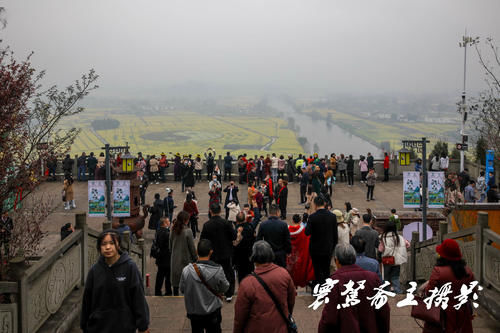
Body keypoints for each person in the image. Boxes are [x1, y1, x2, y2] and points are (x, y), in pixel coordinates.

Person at [81, 230, 150, 333]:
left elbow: (138, 297)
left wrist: (143, 326)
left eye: (112, 243)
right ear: (99, 247)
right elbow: (87, 301)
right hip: (98, 327)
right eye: (104, 244)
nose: (108, 247)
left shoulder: (130, 267)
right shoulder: (94, 271)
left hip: (123, 327)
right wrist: (84, 325)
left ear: (118, 245)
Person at [317, 244, 390, 333]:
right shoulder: (373, 278)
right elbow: (384, 311)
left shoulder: (334, 281)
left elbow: (329, 318)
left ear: (337, 261)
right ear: (354, 259)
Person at [234, 241, 296, 333]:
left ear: (254, 257)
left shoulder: (247, 283)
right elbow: (291, 299)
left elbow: (240, 314)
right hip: (281, 327)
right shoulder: (283, 274)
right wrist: (286, 314)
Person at [420, 239, 477, 333]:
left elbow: (429, 293)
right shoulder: (468, 271)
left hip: (442, 313)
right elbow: (473, 294)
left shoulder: (438, 271)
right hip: (462, 313)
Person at [180, 239, 229, 333]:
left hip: (194, 313)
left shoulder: (186, 270)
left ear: (197, 251)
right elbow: (225, 287)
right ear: (211, 252)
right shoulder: (218, 270)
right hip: (212, 312)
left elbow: (182, 289)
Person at [200, 203, 237, 302]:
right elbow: (234, 236)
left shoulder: (207, 225)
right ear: (220, 211)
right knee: (228, 273)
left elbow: (203, 240)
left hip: (213, 254)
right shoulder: (226, 223)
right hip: (226, 252)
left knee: (213, 274)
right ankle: (229, 294)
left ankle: (215, 292)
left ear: (210, 212)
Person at [305, 196, 338, 287]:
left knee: (317, 270)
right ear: (324, 204)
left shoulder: (312, 217)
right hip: (328, 248)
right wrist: (332, 247)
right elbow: (335, 235)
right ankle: (326, 289)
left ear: (315, 205)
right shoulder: (332, 216)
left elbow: (307, 232)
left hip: (315, 249)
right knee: (326, 270)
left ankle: (318, 288)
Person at [170, 211, 198, 296]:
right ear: (186, 220)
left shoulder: (173, 230)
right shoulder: (188, 231)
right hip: (186, 260)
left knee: (175, 283)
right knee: (187, 282)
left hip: (175, 259)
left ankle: (175, 297)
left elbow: (170, 246)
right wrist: (195, 258)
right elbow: (192, 248)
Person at [256, 204, 291, 268]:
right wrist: (288, 251)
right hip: (280, 254)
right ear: (278, 212)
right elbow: (287, 241)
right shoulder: (283, 225)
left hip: (268, 254)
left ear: (269, 213)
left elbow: (259, 241)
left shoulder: (263, 225)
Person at [378, 221, 408, 294]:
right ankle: (397, 290)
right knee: (395, 276)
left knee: (386, 276)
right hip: (397, 261)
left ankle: (386, 290)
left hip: (387, 260)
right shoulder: (399, 237)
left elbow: (380, 249)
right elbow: (408, 245)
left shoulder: (382, 237)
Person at [286, 214, 315, 288]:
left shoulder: (286, 230)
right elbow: (307, 242)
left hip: (290, 255)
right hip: (300, 255)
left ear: (292, 221)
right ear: (300, 221)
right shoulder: (303, 230)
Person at [233, 212, 257, 282]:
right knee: (250, 277)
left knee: (241, 278)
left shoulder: (235, 231)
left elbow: (234, 246)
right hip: (249, 256)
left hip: (239, 259)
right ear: (245, 219)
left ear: (236, 220)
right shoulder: (250, 228)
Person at [155, 217, 172, 296]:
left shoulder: (158, 231)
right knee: (167, 276)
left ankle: (157, 291)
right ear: (164, 223)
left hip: (160, 258)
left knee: (160, 275)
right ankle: (168, 291)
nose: (169, 222)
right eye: (168, 221)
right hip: (166, 258)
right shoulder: (166, 233)